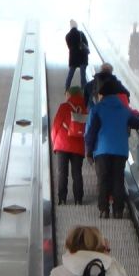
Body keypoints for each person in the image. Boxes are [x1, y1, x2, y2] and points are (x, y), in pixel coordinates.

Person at [84, 85, 139, 218]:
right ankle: (118, 210)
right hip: (120, 151)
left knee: (103, 179)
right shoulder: (124, 110)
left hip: (102, 150)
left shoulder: (97, 109)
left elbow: (90, 132)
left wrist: (89, 151)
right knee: (118, 180)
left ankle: (104, 209)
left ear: (102, 96)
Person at [51, 79, 88, 207]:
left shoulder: (64, 106)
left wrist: (54, 142)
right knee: (77, 172)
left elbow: (55, 126)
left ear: (70, 95)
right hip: (78, 145)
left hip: (62, 144)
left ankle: (62, 199)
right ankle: (78, 199)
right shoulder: (86, 108)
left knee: (62, 172)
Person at [66, 20, 90, 93]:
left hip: (73, 57)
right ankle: (84, 90)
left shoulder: (67, 36)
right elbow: (86, 44)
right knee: (83, 75)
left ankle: (67, 88)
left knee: (70, 74)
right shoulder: (81, 33)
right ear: (76, 26)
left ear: (70, 26)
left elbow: (69, 47)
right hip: (83, 57)